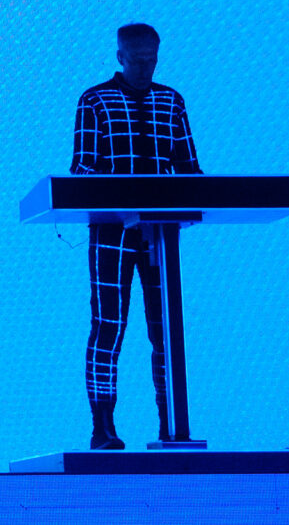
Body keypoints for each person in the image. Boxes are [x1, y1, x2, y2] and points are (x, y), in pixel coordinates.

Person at [72, 22, 202, 451]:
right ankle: (103, 428)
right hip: (111, 230)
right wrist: (123, 203)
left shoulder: (172, 101)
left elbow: (190, 170)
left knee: (166, 329)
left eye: (152, 60)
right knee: (108, 325)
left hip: (161, 237)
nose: (146, 67)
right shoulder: (95, 100)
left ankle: (171, 425)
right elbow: (82, 169)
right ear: (120, 57)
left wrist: (187, 203)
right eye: (138, 60)